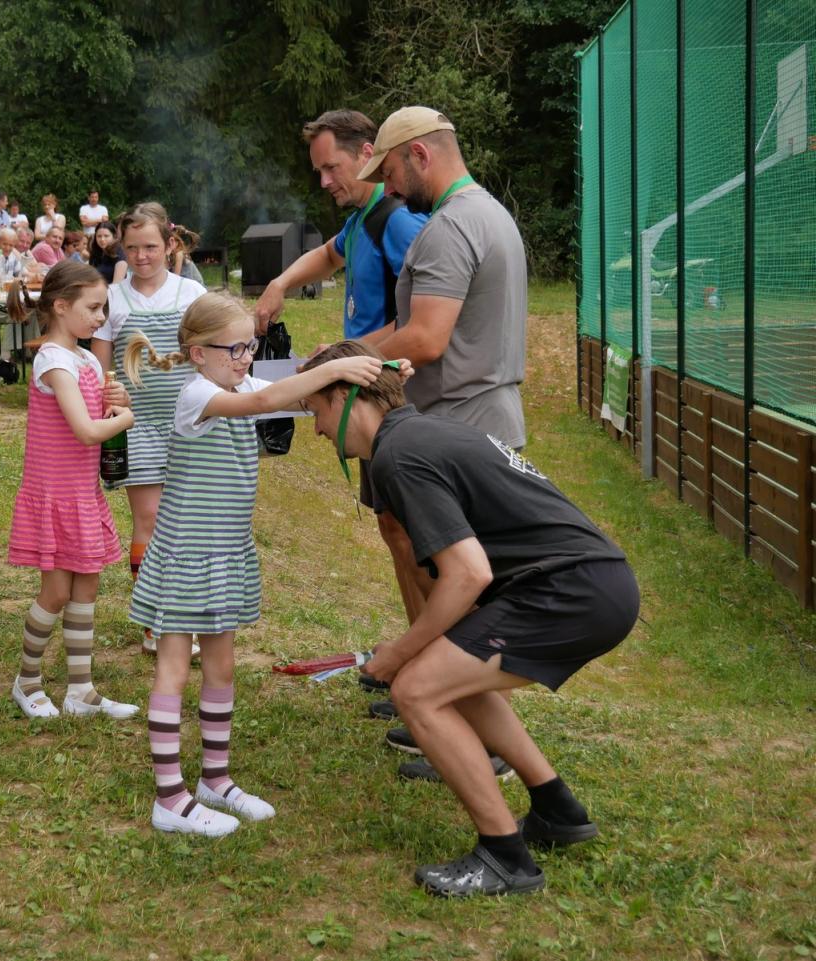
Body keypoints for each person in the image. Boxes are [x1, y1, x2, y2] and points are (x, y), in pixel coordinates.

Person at [298, 340, 639, 896]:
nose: (316, 431)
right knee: (449, 676)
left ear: (344, 395)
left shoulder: (398, 454)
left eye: (316, 411)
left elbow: (468, 574)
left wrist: (400, 652)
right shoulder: (421, 433)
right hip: (595, 583)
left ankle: (506, 859)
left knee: (415, 691)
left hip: (570, 593)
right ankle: (557, 810)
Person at [123, 294, 384, 836]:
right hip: (187, 555)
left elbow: (290, 393)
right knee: (174, 669)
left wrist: (363, 368)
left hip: (223, 553)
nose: (247, 358)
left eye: (251, 346)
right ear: (198, 353)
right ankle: (169, 798)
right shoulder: (198, 395)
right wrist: (329, 371)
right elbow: (268, 400)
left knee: (221, 667)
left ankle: (214, 780)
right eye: (236, 349)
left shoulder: (236, 383)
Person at [356, 106, 531, 763]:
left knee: (463, 588)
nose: (389, 188)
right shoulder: (487, 214)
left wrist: (344, 365)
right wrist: (351, 352)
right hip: (478, 417)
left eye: (390, 172)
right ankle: (445, 705)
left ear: (421, 155)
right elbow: (421, 326)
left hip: (461, 421)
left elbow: (426, 339)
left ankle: (480, 740)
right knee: (454, 580)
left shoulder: (450, 227)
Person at [251, 110, 429, 632]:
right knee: (393, 530)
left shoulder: (397, 220)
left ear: (367, 153)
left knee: (413, 535)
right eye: (319, 172)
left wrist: (351, 352)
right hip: (366, 388)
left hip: (394, 395)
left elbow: (421, 316)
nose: (325, 182)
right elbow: (328, 257)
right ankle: (418, 650)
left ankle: (435, 654)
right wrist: (279, 284)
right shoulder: (361, 220)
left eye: (332, 168)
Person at [5, 261, 138, 719]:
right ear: (61, 307)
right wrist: (125, 419)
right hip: (55, 495)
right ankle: (27, 681)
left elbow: (94, 414)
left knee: (86, 588)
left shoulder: (84, 359)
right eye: (94, 308)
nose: (101, 318)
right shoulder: (53, 360)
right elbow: (85, 431)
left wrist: (116, 401)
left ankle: (81, 691)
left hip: (82, 494)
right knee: (57, 592)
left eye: (104, 309)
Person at [90, 202, 205, 653]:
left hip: (189, 426)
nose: (141, 256)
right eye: (132, 248)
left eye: (151, 247)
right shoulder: (112, 299)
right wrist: (107, 403)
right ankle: (154, 619)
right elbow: (100, 370)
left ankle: (186, 613)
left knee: (187, 522)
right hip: (136, 428)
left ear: (170, 244)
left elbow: (208, 354)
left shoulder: (191, 294)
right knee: (150, 519)